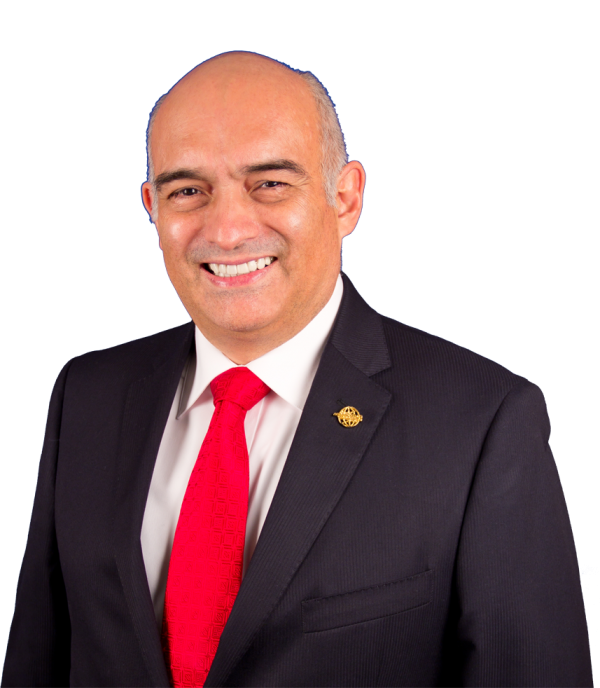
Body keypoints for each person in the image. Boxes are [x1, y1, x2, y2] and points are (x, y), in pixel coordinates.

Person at [2, 51, 593, 688]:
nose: (227, 231)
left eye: (270, 183)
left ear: (345, 198)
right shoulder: (85, 395)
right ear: (152, 208)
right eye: (188, 191)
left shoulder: (483, 422)